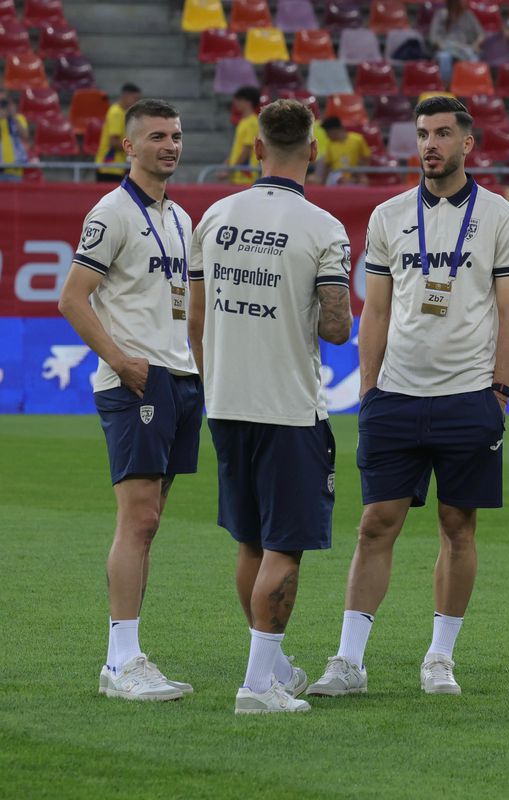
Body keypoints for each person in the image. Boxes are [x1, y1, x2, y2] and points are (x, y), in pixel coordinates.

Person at [306, 96, 509, 698]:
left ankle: (439, 657)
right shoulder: (388, 215)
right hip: (395, 398)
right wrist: (370, 388)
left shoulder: (502, 218)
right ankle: (349, 661)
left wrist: (499, 394)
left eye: (443, 133)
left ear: (467, 144)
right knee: (376, 523)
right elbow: (374, 309)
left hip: (469, 397)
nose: (430, 143)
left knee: (458, 526)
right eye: (423, 133)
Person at [188, 99, 353, 715]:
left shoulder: (216, 215)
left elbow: (197, 319)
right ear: (313, 151)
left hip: (227, 401)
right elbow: (336, 327)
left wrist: (217, 381)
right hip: (289, 406)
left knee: (250, 541)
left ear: (256, 148)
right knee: (286, 544)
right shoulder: (322, 227)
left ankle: (272, 665)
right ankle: (256, 686)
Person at [59, 99, 200, 701]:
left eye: (175, 136)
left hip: (178, 378)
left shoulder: (180, 217)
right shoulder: (111, 212)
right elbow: (72, 298)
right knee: (137, 519)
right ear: (128, 146)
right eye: (157, 137)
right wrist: (120, 361)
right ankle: (119, 663)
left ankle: (133, 654)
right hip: (135, 381)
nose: (170, 145)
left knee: (151, 523)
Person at [429, 0, 485, 84]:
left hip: (464, 48)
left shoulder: (468, 15)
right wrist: (440, 45)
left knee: (474, 59)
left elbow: (481, 34)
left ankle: (471, 86)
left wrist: (476, 44)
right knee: (444, 57)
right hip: (446, 47)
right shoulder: (441, 14)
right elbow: (433, 37)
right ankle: (446, 86)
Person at [94, 83, 141, 182]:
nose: (137, 103)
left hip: (117, 167)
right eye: (135, 99)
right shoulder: (115, 113)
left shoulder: (124, 113)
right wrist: (136, 150)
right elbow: (114, 142)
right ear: (125, 96)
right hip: (109, 167)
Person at [318, 117, 371, 185]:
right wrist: (323, 183)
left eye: (327, 133)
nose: (327, 136)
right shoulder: (330, 145)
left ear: (335, 130)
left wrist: (360, 173)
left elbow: (367, 158)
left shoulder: (357, 139)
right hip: (337, 176)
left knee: (364, 181)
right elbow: (328, 166)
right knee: (340, 179)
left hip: (354, 175)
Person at [225, 85, 260, 185]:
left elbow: (247, 150)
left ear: (248, 102)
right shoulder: (243, 122)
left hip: (246, 176)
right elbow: (238, 148)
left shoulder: (252, 122)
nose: (236, 103)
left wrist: (231, 169)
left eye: (239, 100)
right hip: (238, 176)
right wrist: (228, 163)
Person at [0, 92, 32, 181]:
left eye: (6, 104)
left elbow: (25, 135)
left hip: (15, 168)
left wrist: (13, 117)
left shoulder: (19, 118)